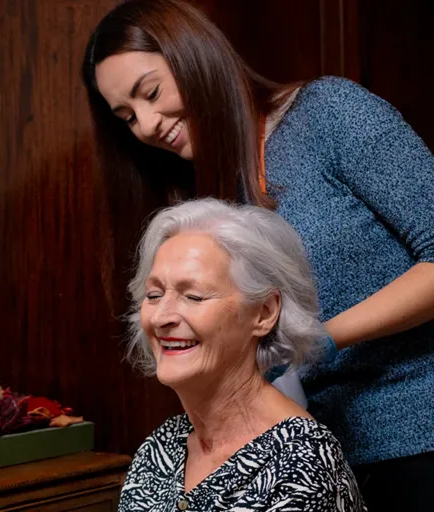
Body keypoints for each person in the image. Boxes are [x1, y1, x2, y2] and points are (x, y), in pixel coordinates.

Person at [82, 1, 434, 508]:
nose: (146, 124)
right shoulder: (198, 202)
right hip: (301, 459)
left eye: (151, 93)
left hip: (416, 434)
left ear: (195, 56)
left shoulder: (329, 116)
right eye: (126, 116)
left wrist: (322, 339)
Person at [117, 198, 365, 511]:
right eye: (153, 295)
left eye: (193, 296)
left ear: (264, 312)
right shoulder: (160, 448)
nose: (161, 317)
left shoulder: (300, 461)